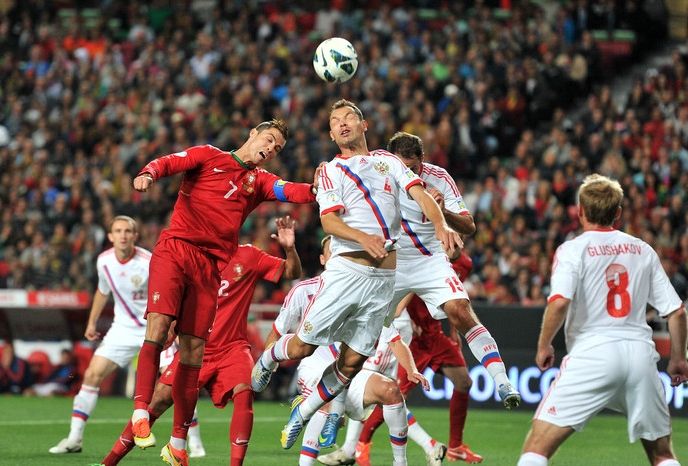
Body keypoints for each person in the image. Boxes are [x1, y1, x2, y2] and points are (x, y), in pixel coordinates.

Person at [251, 99, 462, 455]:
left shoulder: (389, 161)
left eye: (349, 116)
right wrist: (364, 238)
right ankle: (269, 359)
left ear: (364, 125)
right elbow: (329, 221)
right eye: (335, 121)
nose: (343, 122)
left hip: (384, 280)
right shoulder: (331, 170)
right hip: (347, 272)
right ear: (332, 135)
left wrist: (441, 225)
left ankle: (304, 411)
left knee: (351, 363)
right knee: (303, 346)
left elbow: (420, 194)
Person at [129, 119, 317, 465]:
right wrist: (148, 174)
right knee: (158, 325)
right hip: (176, 249)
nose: (271, 149)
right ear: (252, 134)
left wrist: (322, 185)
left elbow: (292, 191)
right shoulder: (208, 156)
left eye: (277, 148)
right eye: (269, 140)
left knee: (193, 352)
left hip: (210, 266)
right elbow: (169, 162)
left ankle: (178, 443)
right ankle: (140, 410)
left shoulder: (259, 182)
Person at [92, 216, 302, 466]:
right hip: (194, 349)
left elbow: (292, 272)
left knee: (244, 393)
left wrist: (290, 248)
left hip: (232, 348)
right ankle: (108, 463)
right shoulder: (190, 259)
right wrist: (171, 328)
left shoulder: (248, 256)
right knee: (156, 403)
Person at [517, 174, 688, 466]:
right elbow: (677, 312)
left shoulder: (572, 249)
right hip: (640, 357)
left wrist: (544, 344)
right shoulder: (642, 249)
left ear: (580, 211)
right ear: (617, 213)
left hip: (592, 354)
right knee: (662, 454)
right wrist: (678, 359)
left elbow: (559, 302)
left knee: (536, 448)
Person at [265, 236, 431, 466]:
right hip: (314, 366)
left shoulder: (366, 292)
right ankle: (312, 426)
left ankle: (400, 463)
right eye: (332, 251)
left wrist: (411, 370)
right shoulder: (304, 290)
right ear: (323, 259)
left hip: (347, 372)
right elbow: (278, 330)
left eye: (342, 251)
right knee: (326, 399)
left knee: (391, 391)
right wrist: (267, 365)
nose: (338, 254)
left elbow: (394, 338)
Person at [385, 131, 519, 409]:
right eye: (402, 168)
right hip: (392, 261)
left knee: (459, 309)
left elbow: (469, 226)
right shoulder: (380, 174)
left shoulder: (440, 178)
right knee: (361, 338)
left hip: (430, 260)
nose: (408, 174)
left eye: (413, 168)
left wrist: (443, 211)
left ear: (422, 160)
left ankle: (503, 382)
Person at [321, 251, 483, 465]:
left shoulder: (462, 262)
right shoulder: (418, 249)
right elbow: (405, 290)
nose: (457, 240)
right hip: (410, 336)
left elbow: (454, 298)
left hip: (424, 333)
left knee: (459, 382)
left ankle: (452, 446)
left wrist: (454, 329)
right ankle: (358, 446)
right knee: (388, 392)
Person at [49, 215, 150, 454]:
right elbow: (102, 291)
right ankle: (74, 439)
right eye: (118, 231)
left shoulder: (149, 262)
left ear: (135, 236)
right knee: (92, 374)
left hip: (153, 328)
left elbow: (168, 293)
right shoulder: (104, 261)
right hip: (123, 329)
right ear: (110, 236)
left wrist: (171, 325)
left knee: (174, 382)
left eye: (128, 231)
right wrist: (92, 322)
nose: (123, 235)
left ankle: (192, 443)